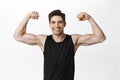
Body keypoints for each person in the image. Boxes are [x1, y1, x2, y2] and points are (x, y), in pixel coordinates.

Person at [13, 9, 106, 80]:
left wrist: (89, 18)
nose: (56, 26)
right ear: (49, 24)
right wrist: (28, 16)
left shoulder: (73, 40)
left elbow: (100, 38)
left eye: (60, 22)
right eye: (53, 22)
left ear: (64, 24)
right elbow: (18, 36)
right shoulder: (43, 40)